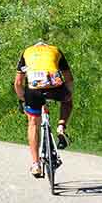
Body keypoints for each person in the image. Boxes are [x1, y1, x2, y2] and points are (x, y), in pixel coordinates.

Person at [14, 41, 74, 178]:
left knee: (33, 122)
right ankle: (61, 126)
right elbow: (69, 78)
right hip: (55, 87)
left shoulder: (27, 52)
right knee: (68, 102)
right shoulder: (55, 50)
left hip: (34, 89)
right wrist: (69, 94)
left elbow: (18, 83)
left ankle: (35, 164)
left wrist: (23, 99)